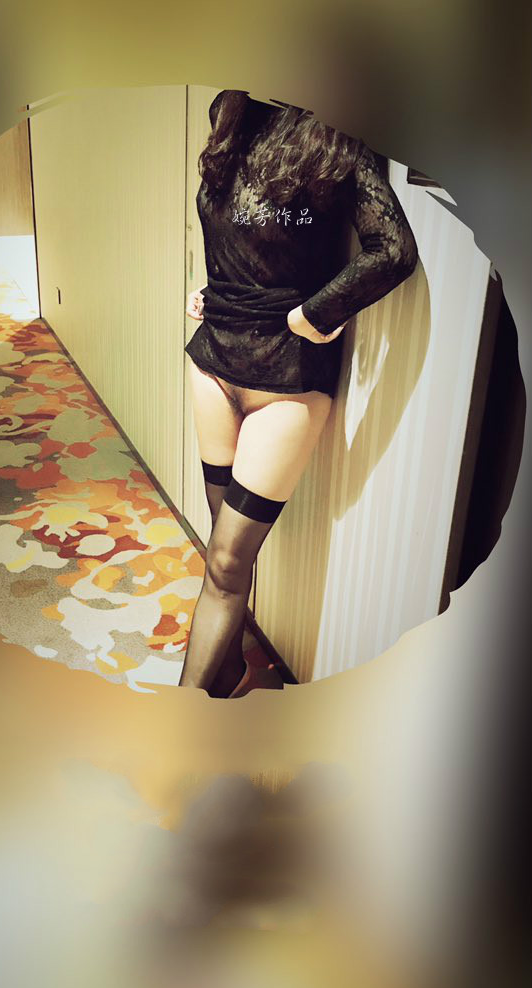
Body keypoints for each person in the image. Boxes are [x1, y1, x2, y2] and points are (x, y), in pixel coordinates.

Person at [178, 89, 419, 698]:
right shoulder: (229, 109)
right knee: (222, 546)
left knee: (227, 561)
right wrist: (212, 287)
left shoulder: (341, 134)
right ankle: (228, 675)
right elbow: (234, 229)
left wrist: (316, 313)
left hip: (287, 379)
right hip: (214, 360)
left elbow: (393, 251)